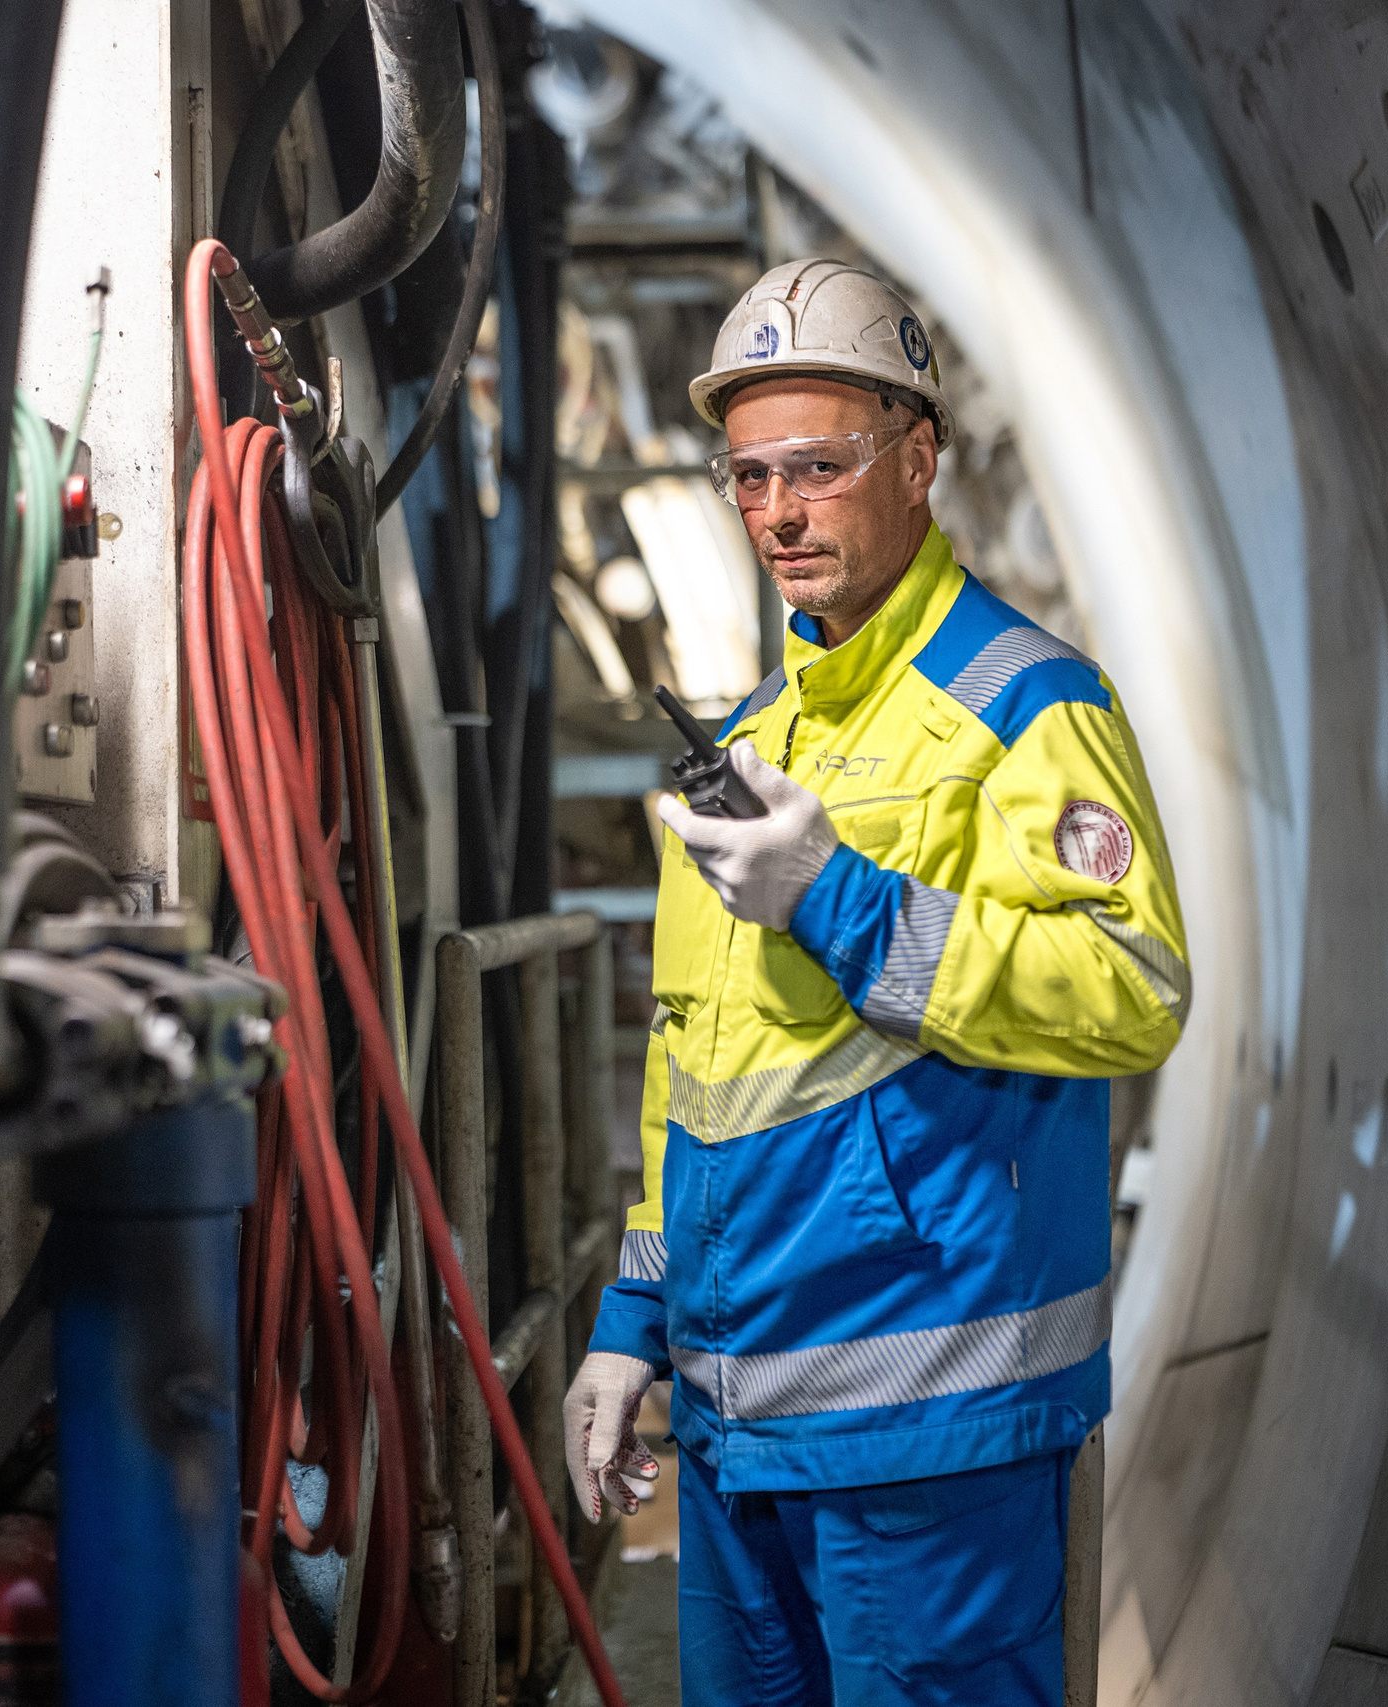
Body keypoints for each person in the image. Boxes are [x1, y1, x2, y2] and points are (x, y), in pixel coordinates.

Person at [563, 257, 1191, 1706]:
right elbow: (697, 1063)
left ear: (920, 462)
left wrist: (839, 900)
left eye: (820, 470)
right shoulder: (758, 732)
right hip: (737, 1423)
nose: (779, 512)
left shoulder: (1027, 708)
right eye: (749, 477)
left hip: (930, 1437)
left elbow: (1132, 982)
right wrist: (631, 1322)